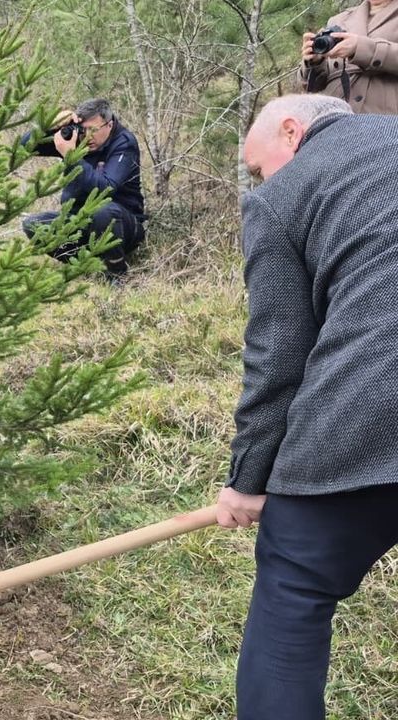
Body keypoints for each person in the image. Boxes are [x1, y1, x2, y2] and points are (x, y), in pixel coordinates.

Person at [218, 93, 398, 720]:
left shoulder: (284, 196)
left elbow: (278, 356)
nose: (258, 181)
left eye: (256, 167)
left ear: (291, 132)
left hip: (367, 417)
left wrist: (247, 481)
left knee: (294, 591)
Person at [21, 98, 145, 278]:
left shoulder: (124, 143)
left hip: (123, 225)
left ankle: (116, 273)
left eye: (93, 130)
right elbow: (25, 146)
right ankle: (88, 265)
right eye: (83, 130)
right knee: (32, 225)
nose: (87, 136)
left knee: (101, 211)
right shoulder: (76, 138)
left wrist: (71, 156)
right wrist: (51, 124)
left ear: (109, 125)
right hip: (79, 221)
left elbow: (105, 188)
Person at [299, 0, 398, 114]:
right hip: (334, 114)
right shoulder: (339, 20)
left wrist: (359, 48)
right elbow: (311, 87)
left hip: (384, 116)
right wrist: (314, 62)